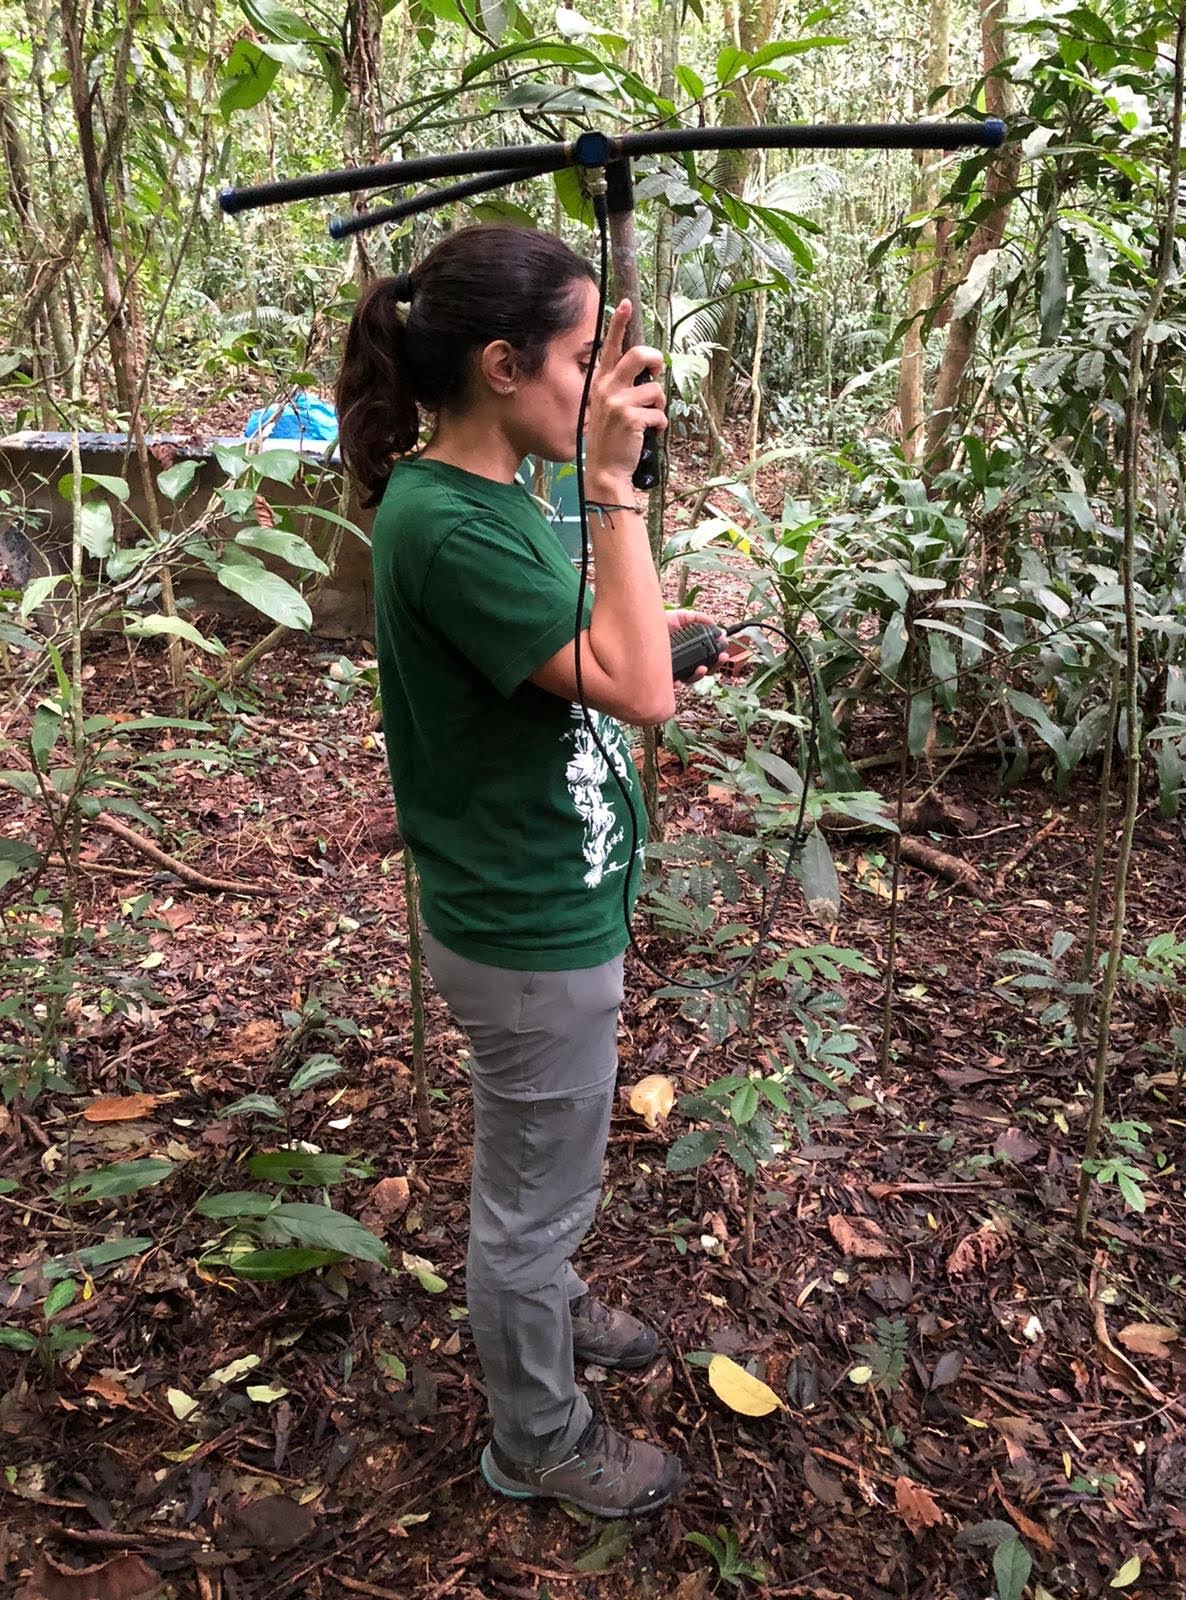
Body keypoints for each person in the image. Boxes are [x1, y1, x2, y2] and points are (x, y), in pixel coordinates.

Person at [335, 224, 726, 1519]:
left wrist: (638, 618)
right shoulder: (450, 522)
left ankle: (548, 1306)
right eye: (582, 358)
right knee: (530, 1208)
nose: (603, 386)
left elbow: (586, 650)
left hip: (543, 903)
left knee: (543, 1176)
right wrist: (615, 486)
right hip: (524, 932)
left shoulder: (491, 492)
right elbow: (640, 693)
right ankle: (538, 1440)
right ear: (502, 367)